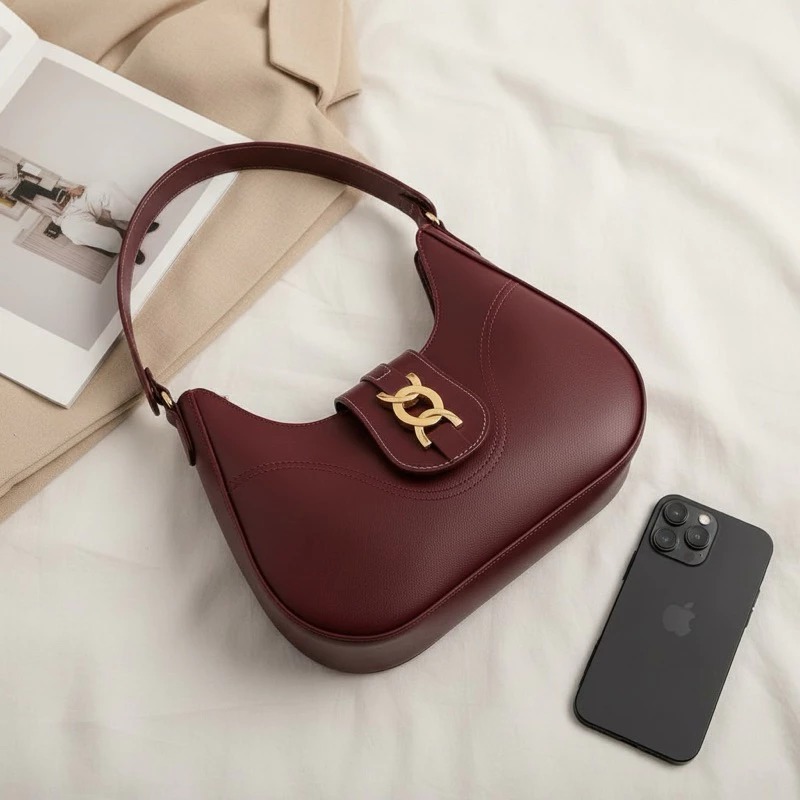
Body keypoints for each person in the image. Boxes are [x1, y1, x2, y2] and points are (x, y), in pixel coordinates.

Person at [56, 182, 157, 264]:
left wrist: (80, 188)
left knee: (101, 187)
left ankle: (138, 223)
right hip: (66, 215)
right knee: (71, 229)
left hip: (79, 198)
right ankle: (126, 249)